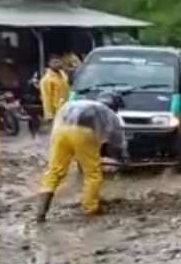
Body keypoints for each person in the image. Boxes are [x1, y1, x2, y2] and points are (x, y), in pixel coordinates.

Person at [36, 92, 126, 222]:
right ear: (114, 105)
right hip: (83, 134)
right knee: (92, 174)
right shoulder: (108, 113)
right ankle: (90, 209)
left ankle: (41, 213)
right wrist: (122, 157)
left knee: (54, 171)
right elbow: (118, 142)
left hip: (59, 132)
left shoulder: (77, 104)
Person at [39, 54, 70, 126]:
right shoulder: (46, 80)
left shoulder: (63, 74)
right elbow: (46, 98)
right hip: (57, 111)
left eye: (59, 62)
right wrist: (49, 115)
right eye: (55, 62)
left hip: (67, 107)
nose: (58, 64)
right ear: (49, 64)